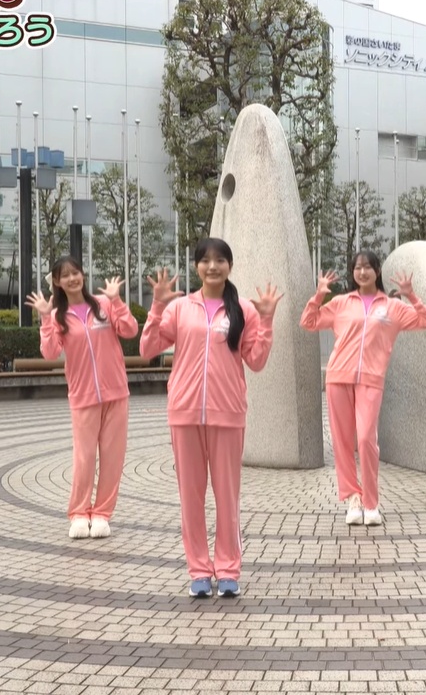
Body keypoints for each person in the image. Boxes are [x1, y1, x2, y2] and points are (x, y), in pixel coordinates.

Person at [139, 238, 282, 598]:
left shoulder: (243, 310)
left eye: (220, 260)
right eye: (205, 260)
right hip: (184, 413)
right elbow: (147, 348)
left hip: (227, 414)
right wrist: (157, 306)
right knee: (191, 498)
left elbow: (256, 361)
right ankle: (199, 570)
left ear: (230, 266)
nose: (213, 266)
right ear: (196, 266)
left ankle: (228, 569)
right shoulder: (180, 308)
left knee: (226, 497)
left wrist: (266, 320)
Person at [300, 251, 426, 526]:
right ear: (353, 272)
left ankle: (371, 502)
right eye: (357, 268)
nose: (362, 272)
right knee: (342, 442)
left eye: (367, 267)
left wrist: (411, 295)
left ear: (377, 271)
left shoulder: (392, 307)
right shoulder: (341, 303)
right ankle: (353, 497)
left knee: (365, 440)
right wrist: (318, 295)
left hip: (371, 380)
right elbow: (308, 322)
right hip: (338, 377)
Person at [29, 258, 136, 540]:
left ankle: (102, 514)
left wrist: (117, 301)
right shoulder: (58, 316)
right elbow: (50, 353)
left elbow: (130, 330)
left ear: (83, 274)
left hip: (116, 393)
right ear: (57, 282)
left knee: (113, 458)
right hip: (83, 396)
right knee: (84, 458)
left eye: (75, 272)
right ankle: (78, 513)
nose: (72, 278)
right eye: (65, 275)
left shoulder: (104, 304)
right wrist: (45, 318)